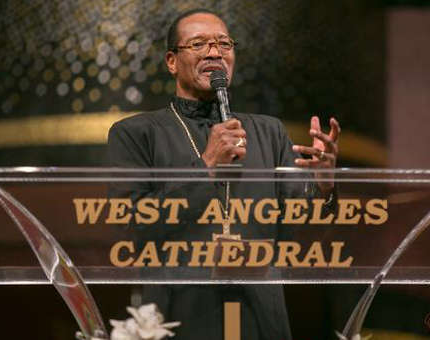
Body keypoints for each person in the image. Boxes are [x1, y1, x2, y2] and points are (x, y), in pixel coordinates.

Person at [107, 8, 340, 340]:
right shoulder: (137, 133)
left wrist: (323, 185)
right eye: (199, 44)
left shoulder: (269, 132)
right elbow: (128, 223)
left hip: (261, 314)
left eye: (223, 44)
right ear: (172, 61)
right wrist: (206, 166)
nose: (214, 52)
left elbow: (300, 225)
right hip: (178, 313)